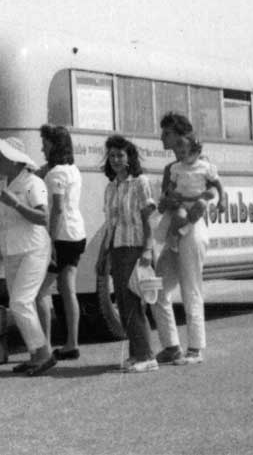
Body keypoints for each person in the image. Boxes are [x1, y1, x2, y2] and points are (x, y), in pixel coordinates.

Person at [0, 135, 55, 376]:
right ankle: (35, 356)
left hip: (34, 250)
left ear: (15, 161)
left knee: (20, 302)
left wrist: (16, 205)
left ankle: (43, 353)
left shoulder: (34, 183)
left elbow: (43, 218)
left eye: (1, 157)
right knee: (22, 303)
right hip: (11, 252)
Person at [153, 112, 222, 366]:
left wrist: (204, 199)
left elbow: (214, 188)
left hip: (193, 232)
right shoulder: (170, 169)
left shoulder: (200, 164)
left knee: (191, 288)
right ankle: (171, 346)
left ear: (182, 136)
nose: (163, 137)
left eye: (167, 133)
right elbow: (164, 202)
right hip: (173, 231)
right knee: (158, 288)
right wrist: (165, 202)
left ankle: (195, 348)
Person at [97, 135, 158, 373]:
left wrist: (148, 249)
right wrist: (103, 253)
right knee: (122, 302)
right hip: (117, 247)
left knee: (132, 301)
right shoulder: (111, 187)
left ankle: (146, 355)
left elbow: (147, 219)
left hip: (134, 246)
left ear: (129, 157)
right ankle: (136, 353)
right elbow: (109, 224)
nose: (115, 160)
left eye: (120, 155)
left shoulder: (140, 182)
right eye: (112, 155)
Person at [34, 124, 86, 361]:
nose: (42, 147)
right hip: (77, 233)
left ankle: (44, 344)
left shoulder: (54, 174)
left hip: (61, 236)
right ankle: (71, 343)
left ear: (54, 145)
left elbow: (57, 210)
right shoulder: (72, 169)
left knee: (41, 291)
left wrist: (51, 242)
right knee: (68, 289)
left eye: (45, 143)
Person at [162, 132, 224, 253]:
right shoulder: (176, 168)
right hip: (183, 201)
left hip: (197, 200)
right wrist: (170, 192)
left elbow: (217, 183)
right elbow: (172, 184)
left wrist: (222, 200)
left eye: (184, 153)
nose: (181, 156)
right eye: (179, 153)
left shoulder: (205, 167)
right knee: (179, 216)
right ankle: (174, 237)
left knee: (201, 205)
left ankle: (187, 228)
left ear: (196, 152)